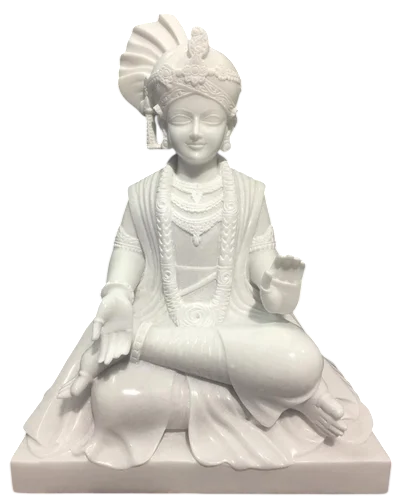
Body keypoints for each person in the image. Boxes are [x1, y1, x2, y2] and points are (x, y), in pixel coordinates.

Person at [24, 13, 372, 471]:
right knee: (116, 398)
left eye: (208, 119)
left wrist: (280, 287)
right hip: (165, 322)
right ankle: (273, 401)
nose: (194, 131)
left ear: (230, 124)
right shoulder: (142, 194)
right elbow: (125, 262)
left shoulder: (250, 193)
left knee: (300, 359)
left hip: (233, 328)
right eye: (181, 118)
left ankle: (150, 348)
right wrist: (118, 299)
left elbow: (263, 279)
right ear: (160, 122)